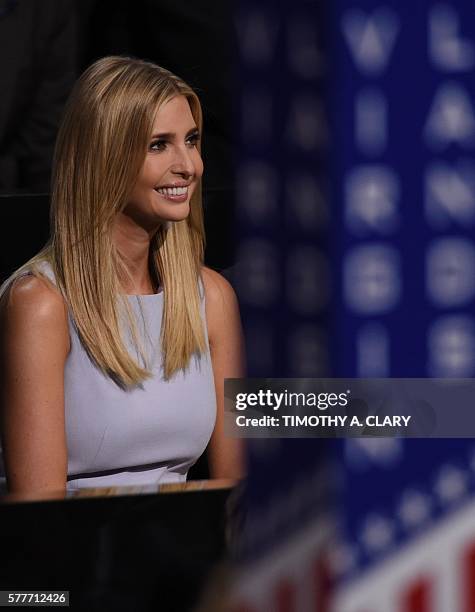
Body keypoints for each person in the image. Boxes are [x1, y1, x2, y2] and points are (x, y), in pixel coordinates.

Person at [0, 56, 244, 495]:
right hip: (75, 555)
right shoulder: (39, 304)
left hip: (190, 552)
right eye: (159, 145)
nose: (189, 165)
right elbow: (39, 517)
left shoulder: (213, 297)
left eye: (191, 140)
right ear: (104, 157)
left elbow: (239, 494)